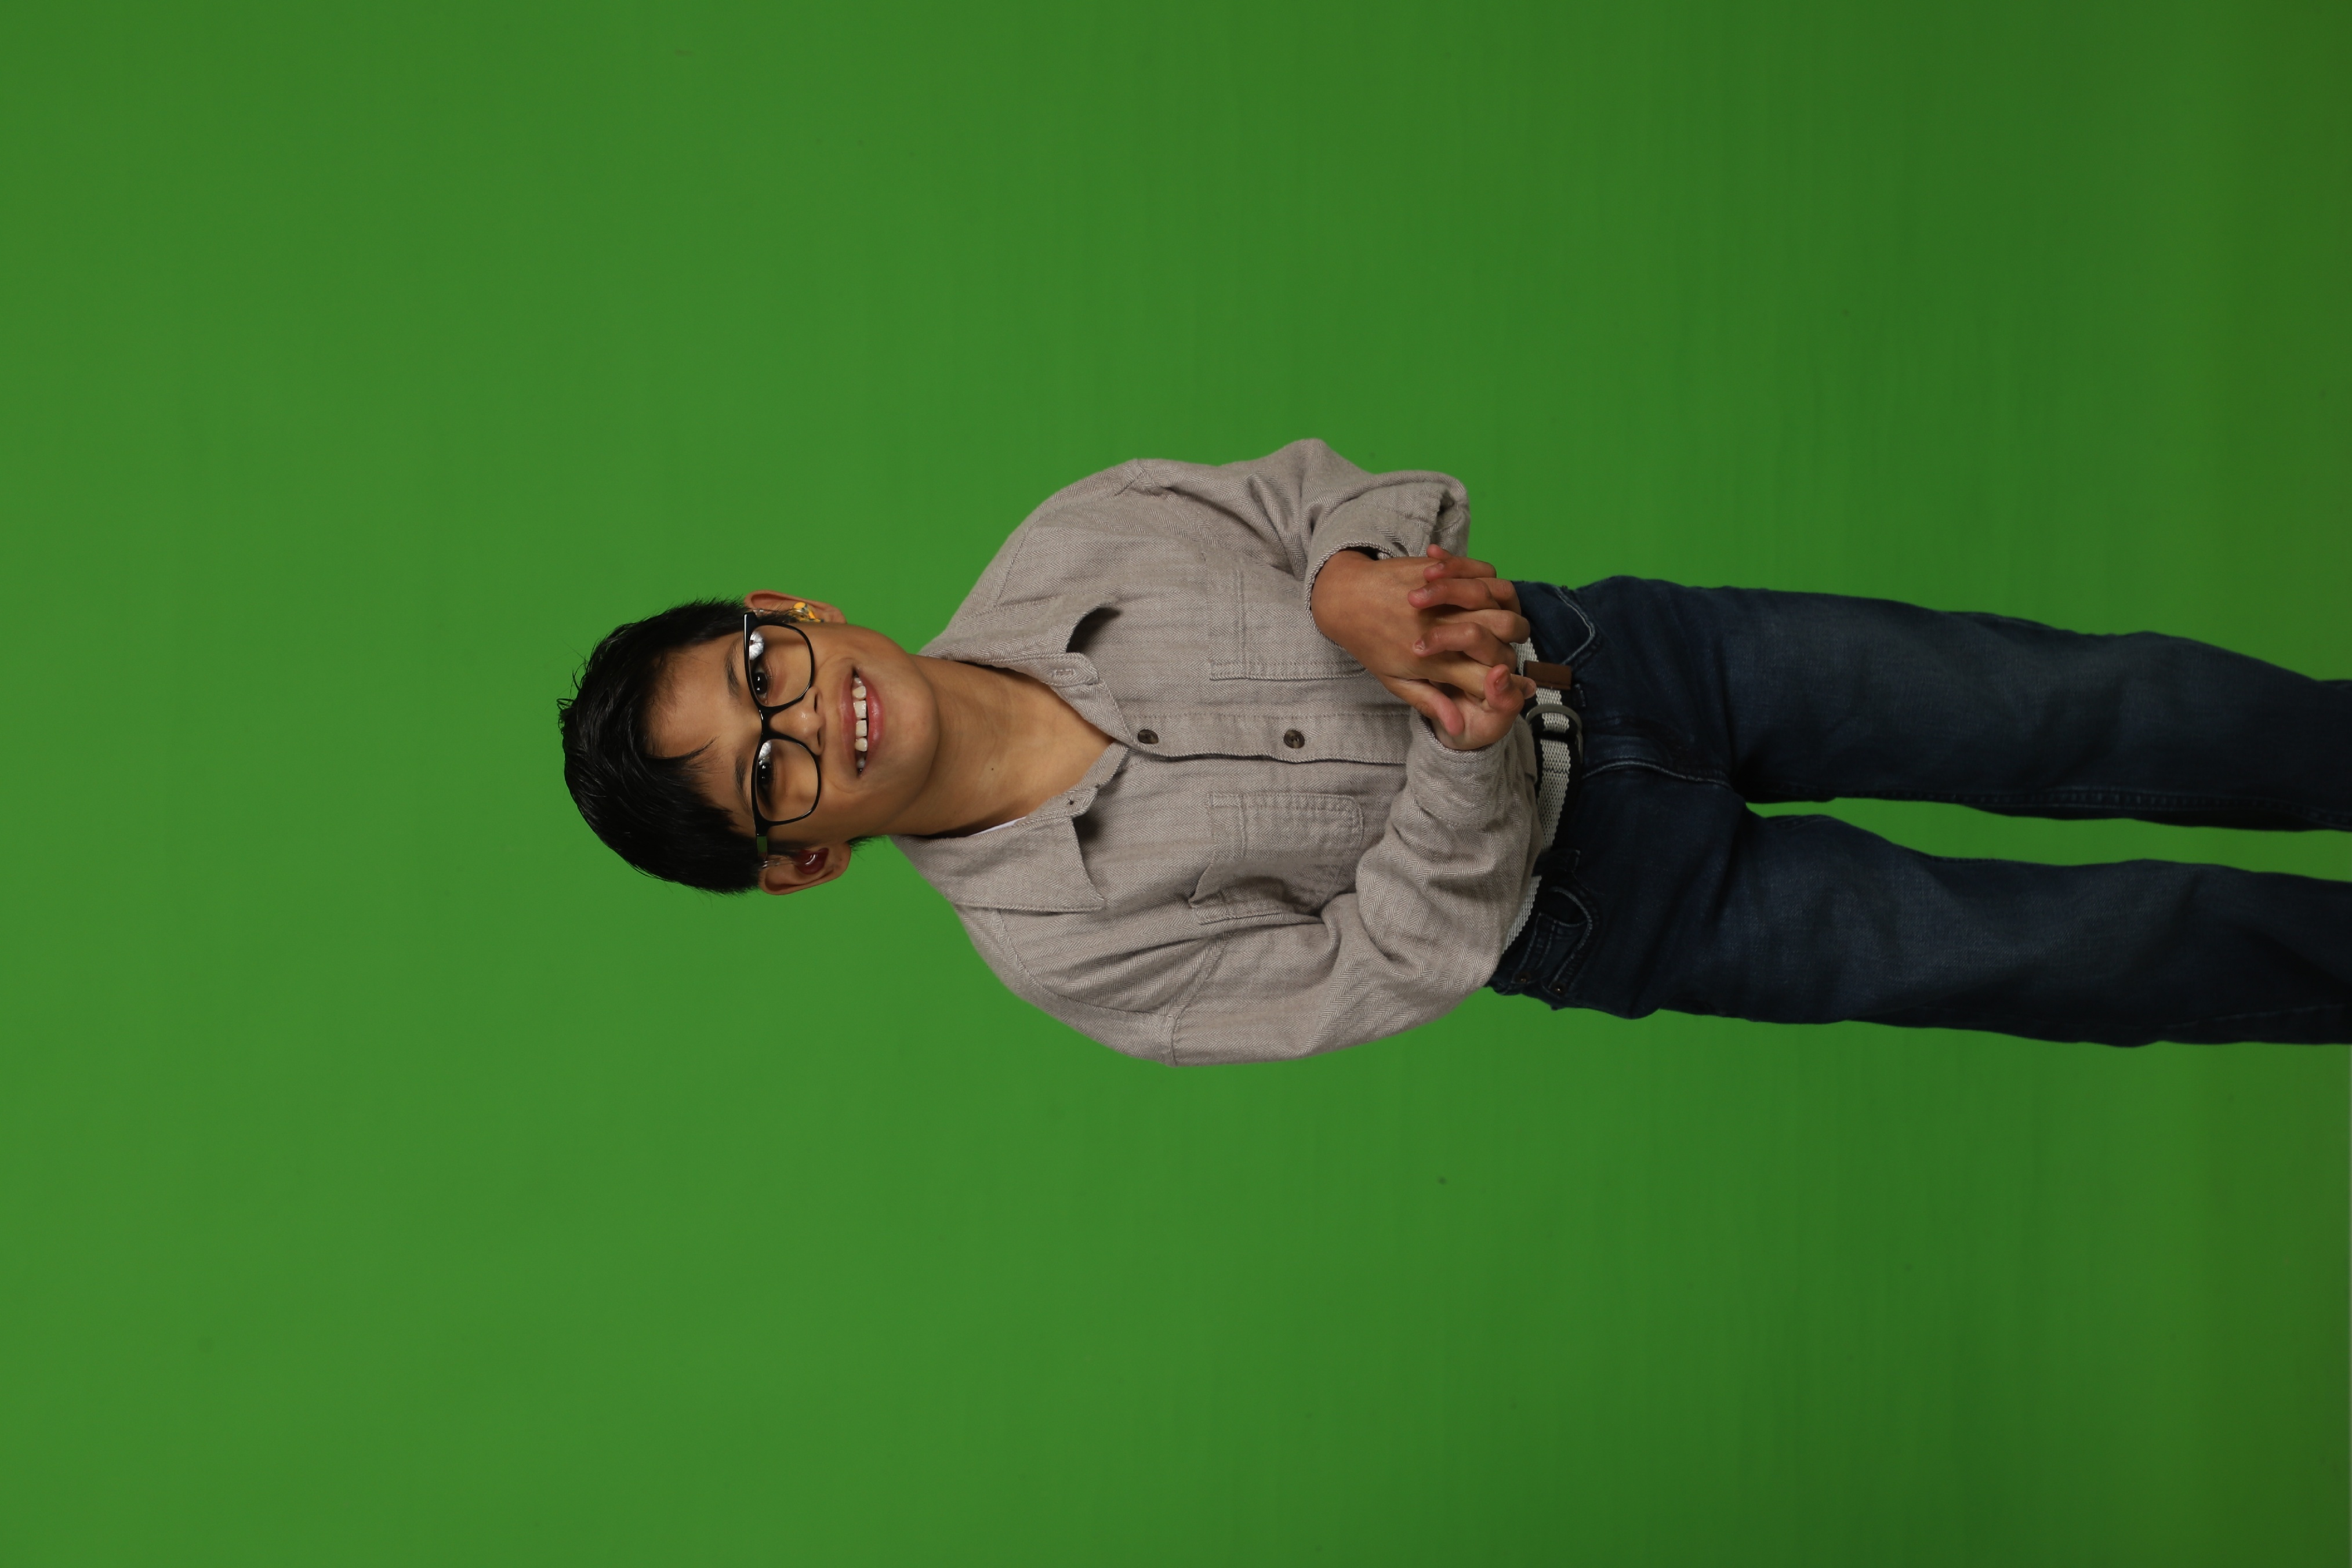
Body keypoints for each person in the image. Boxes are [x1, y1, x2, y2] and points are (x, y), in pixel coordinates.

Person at [557, 440, 2352, 1062]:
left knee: (2084, 703)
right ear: (804, 858)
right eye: (769, 774)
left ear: (789, 609)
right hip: (1625, 907)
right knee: (2084, 948)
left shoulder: (1077, 536)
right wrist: (1464, 755)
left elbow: (1313, 494)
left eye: (762, 670)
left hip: (1645, 657)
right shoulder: (1066, 950)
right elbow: (1387, 965)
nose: (810, 716)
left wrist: (1348, 576)